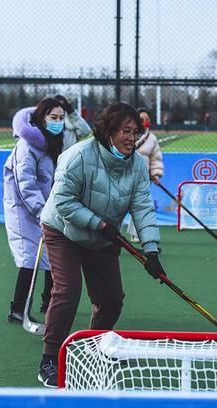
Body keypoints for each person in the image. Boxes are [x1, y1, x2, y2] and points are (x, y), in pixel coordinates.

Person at [36, 102, 166, 388]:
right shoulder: (79, 155)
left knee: (111, 298)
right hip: (64, 229)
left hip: (102, 235)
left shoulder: (137, 166)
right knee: (68, 291)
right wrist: (100, 224)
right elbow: (64, 202)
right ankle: (49, 358)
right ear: (108, 131)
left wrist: (152, 250)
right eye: (125, 131)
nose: (132, 137)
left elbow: (143, 208)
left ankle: (96, 349)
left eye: (136, 132)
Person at [4, 98, 64, 322]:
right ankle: (17, 309)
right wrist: (41, 211)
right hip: (23, 208)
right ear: (41, 119)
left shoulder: (53, 144)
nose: (58, 122)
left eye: (61, 118)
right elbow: (25, 182)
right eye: (53, 118)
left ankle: (49, 302)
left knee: (53, 253)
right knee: (30, 257)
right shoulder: (26, 146)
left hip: (46, 208)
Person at [126, 107, 164, 242]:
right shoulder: (128, 135)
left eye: (147, 119)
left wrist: (156, 174)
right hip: (127, 175)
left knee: (140, 205)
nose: (145, 122)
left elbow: (156, 158)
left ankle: (137, 233)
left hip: (144, 177)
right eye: (142, 119)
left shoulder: (152, 138)